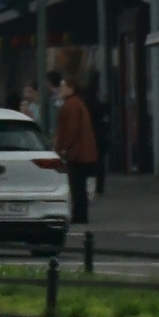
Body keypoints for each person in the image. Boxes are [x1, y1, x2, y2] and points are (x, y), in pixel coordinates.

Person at [51, 72, 98, 226]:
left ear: (71, 88)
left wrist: (63, 147)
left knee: (77, 185)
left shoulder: (71, 105)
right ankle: (80, 214)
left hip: (77, 153)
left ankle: (79, 215)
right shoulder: (76, 103)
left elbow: (70, 130)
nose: (61, 89)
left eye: (63, 86)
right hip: (81, 152)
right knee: (79, 186)